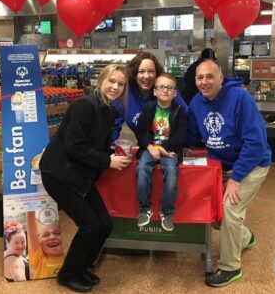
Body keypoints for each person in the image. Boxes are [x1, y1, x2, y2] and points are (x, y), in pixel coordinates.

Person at [39, 64, 132, 293]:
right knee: (90, 225)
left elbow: (95, 142)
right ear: (101, 80)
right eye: (111, 81)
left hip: (80, 174)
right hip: (59, 174)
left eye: (120, 84)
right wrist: (107, 161)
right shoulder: (84, 105)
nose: (115, 87)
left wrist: (111, 152)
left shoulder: (108, 110)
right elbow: (75, 146)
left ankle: (82, 268)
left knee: (105, 225)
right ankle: (68, 274)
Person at [186, 59, 271, 287]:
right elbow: (192, 136)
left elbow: (255, 143)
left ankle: (230, 267)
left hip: (252, 165)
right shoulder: (196, 102)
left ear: (221, 79)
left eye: (210, 76)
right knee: (215, 213)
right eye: (200, 78)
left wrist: (235, 178)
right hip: (221, 166)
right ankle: (245, 237)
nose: (205, 82)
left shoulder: (240, 98)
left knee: (230, 211)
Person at [135, 73, 187, 232]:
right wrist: (151, 147)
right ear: (155, 91)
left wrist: (164, 146)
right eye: (161, 87)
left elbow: (181, 135)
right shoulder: (148, 108)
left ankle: (167, 211)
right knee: (142, 168)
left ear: (175, 93)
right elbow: (140, 132)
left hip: (170, 150)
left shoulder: (180, 111)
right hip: (150, 148)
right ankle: (145, 208)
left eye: (169, 88)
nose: (165, 90)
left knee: (171, 172)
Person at [111, 52, 188, 143]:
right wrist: (112, 146)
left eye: (151, 71)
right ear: (135, 74)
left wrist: (186, 144)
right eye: (141, 71)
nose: (146, 76)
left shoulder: (166, 90)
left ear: (157, 74)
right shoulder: (126, 93)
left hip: (171, 146)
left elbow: (187, 116)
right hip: (145, 146)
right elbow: (114, 125)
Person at [26, 211, 64, 280]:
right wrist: (30, 207)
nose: (52, 237)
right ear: (39, 242)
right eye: (45, 235)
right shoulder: (40, 258)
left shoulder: (70, 258)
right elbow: (32, 235)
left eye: (57, 233)